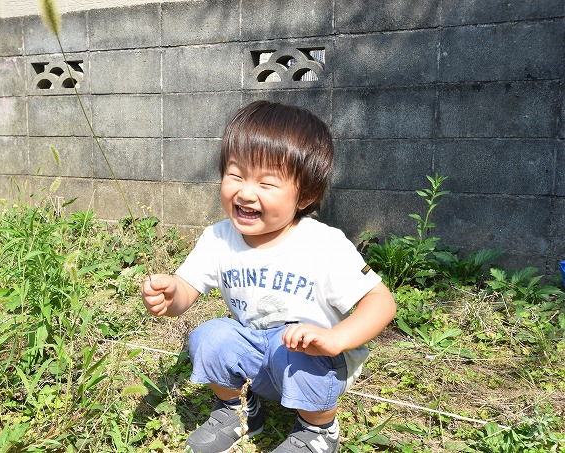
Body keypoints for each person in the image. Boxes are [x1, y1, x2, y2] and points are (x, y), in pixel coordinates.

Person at [141, 100, 396, 453]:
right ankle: (240, 411)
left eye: (267, 183)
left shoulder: (323, 244)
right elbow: (187, 288)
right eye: (236, 175)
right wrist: (171, 296)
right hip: (258, 352)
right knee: (210, 336)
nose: (246, 192)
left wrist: (336, 338)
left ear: (304, 194)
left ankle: (317, 430)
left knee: (297, 350)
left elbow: (381, 301)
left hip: (315, 360)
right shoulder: (218, 238)